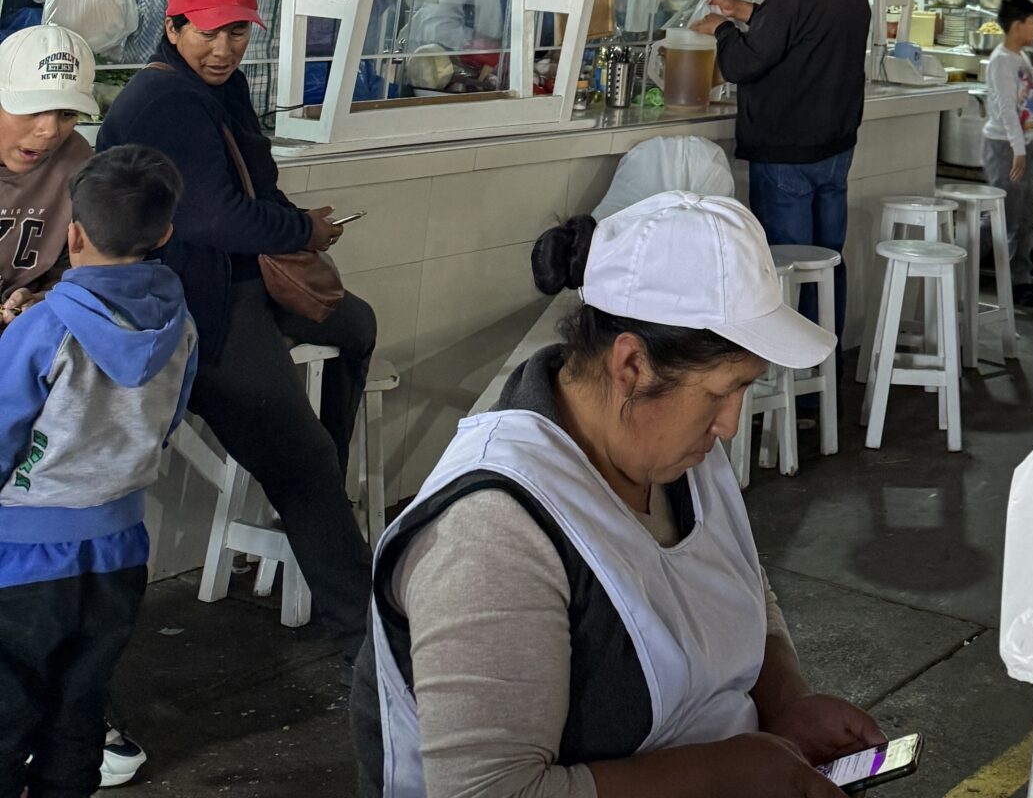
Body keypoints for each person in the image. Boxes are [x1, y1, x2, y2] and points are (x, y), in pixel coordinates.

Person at [351, 192, 884, 796]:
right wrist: (722, 775)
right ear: (631, 364)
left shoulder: (673, 450)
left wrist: (786, 705)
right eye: (719, 392)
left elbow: (736, 587)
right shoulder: (492, 533)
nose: (731, 423)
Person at [96, 0, 376, 658]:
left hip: (241, 282)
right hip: (194, 307)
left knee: (356, 325)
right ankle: (366, 644)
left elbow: (257, 185)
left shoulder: (220, 89)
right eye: (208, 34)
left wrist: (294, 221)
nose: (223, 50)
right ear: (172, 28)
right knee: (300, 460)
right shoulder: (167, 102)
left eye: (237, 35)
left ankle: (318, 494)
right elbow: (218, 219)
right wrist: (300, 233)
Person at [0, 146, 196, 798]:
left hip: (23, 558)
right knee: (79, 710)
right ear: (164, 234)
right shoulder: (181, 323)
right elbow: (168, 423)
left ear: (73, 233)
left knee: (6, 714)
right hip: (119, 549)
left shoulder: (40, 327)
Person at [696, 0, 870, 328]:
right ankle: (824, 380)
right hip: (835, 150)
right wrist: (744, 10)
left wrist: (722, 29)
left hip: (787, 151)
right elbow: (797, 30)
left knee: (785, 269)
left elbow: (743, 63)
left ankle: (793, 384)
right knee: (827, 262)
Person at [0, 26, 98, 321]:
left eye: (67, 114)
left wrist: (47, 298)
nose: (50, 131)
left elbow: (77, 262)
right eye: (32, 109)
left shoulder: (78, 159)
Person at [982, 0, 1033, 307]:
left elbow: (1030, 104)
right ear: (1016, 26)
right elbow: (1006, 110)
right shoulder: (1000, 62)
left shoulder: (1021, 59)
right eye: (1032, 22)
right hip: (1005, 147)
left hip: (1023, 144)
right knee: (1001, 217)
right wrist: (1017, 150)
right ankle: (963, 267)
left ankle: (1019, 282)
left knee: (1026, 217)